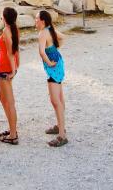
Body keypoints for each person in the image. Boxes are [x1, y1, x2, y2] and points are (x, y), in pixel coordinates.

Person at [36, 10, 68, 147]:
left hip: (53, 67)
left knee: (55, 101)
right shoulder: (51, 29)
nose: (35, 21)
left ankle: (62, 135)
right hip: (59, 63)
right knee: (59, 98)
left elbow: (41, 52)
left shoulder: (43, 33)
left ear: (42, 21)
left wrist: (49, 63)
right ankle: (60, 127)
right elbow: (63, 37)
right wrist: (56, 48)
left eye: (36, 19)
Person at [0, 7, 20, 145]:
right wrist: (17, 65)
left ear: (5, 17)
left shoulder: (7, 30)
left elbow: (11, 52)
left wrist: (12, 70)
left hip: (6, 68)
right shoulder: (14, 29)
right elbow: (16, 49)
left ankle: (13, 135)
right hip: (8, 67)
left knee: (9, 101)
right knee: (2, 97)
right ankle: (12, 128)